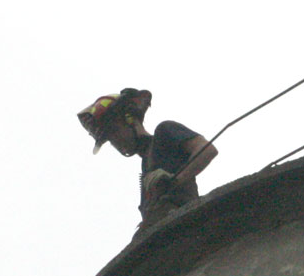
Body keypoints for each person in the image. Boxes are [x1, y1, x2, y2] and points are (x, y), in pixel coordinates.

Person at [77, 88, 218, 234]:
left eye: (114, 132)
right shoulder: (146, 167)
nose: (115, 142)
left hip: (187, 225)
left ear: (130, 119)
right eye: (110, 140)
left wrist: (176, 179)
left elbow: (207, 150)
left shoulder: (164, 132)